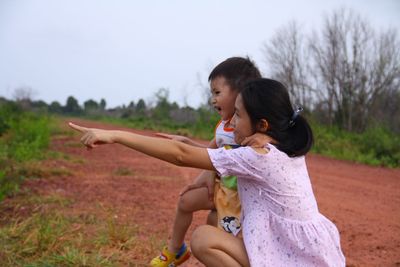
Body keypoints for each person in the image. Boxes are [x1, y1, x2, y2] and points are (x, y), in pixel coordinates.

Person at [69, 78, 345, 267]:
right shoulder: (284, 147)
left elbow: (181, 157)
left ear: (262, 124)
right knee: (226, 227)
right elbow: (214, 154)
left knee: (203, 238)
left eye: (238, 115)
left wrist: (116, 135)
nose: (231, 122)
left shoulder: (257, 156)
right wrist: (190, 143)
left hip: (289, 254)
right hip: (307, 252)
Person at [150, 56, 263, 266]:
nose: (212, 99)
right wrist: (186, 142)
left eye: (217, 93)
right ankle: (176, 250)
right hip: (220, 188)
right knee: (186, 201)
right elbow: (207, 154)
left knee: (215, 225)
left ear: (240, 94)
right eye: (212, 93)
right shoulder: (223, 126)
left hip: (239, 198)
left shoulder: (251, 130)